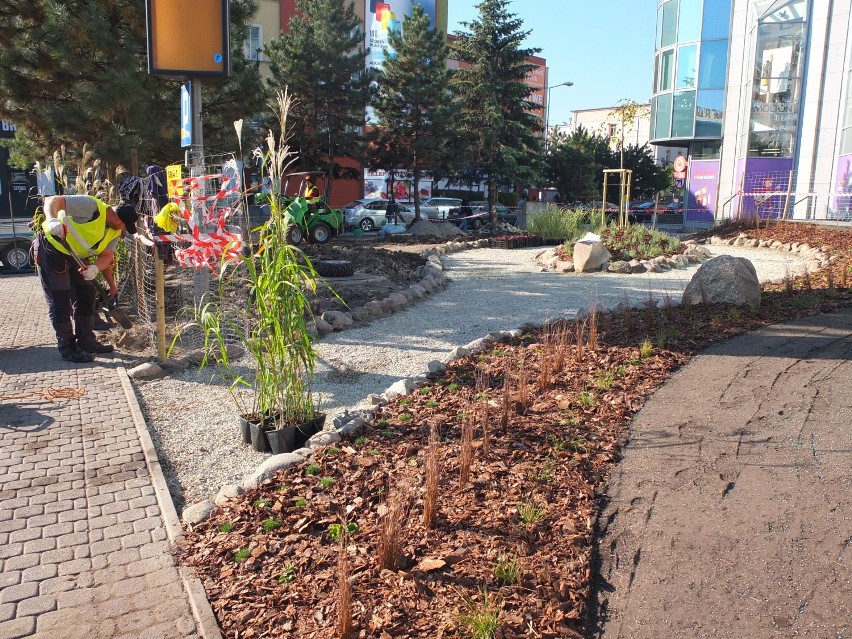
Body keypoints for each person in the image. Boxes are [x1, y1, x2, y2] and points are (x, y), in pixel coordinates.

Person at [34, 176, 140, 363]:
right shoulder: (90, 206)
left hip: (77, 255)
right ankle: (68, 348)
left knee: (86, 295)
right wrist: (52, 220)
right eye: (123, 224)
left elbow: (107, 256)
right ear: (115, 216)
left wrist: (95, 269)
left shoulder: (115, 231)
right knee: (60, 301)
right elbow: (52, 201)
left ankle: (86, 341)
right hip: (53, 248)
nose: (123, 229)